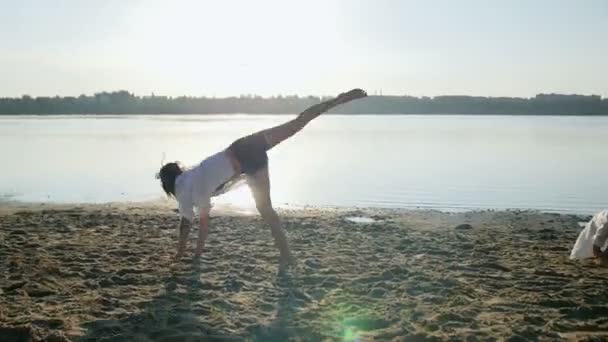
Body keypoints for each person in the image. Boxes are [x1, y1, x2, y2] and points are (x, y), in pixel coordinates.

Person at [157, 89, 367, 270]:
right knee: (297, 123)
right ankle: (338, 100)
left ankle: (287, 255)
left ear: (170, 184)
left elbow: (194, 225)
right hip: (243, 145)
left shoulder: (186, 193)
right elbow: (195, 218)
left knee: (265, 209)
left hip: (248, 161)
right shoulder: (192, 175)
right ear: (178, 172)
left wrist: (193, 255)